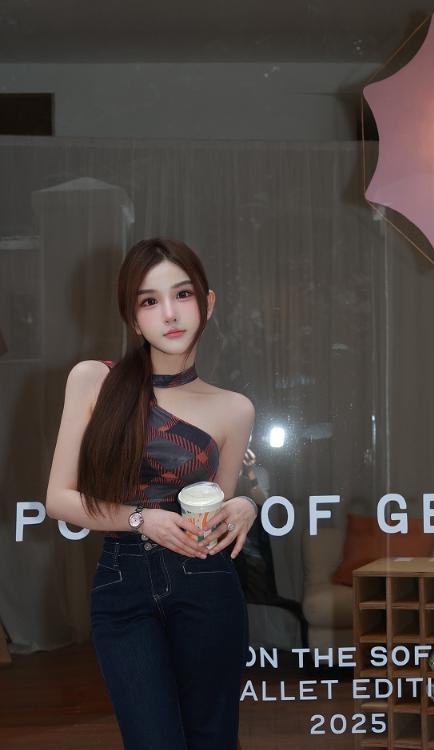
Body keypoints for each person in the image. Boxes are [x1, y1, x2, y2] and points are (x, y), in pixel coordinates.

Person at [46, 238, 257, 750]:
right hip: (123, 586)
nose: (169, 313)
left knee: (212, 739)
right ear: (132, 317)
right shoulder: (95, 381)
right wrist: (143, 519)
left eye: (182, 294)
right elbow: (59, 498)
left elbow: (214, 505)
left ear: (207, 303)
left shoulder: (234, 409)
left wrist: (245, 505)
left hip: (205, 583)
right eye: (149, 300)